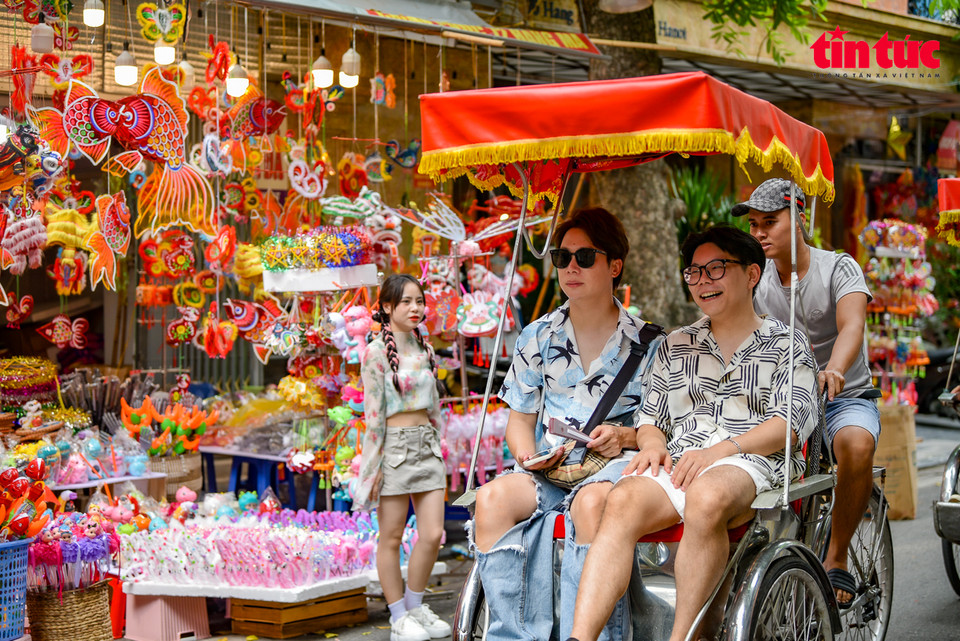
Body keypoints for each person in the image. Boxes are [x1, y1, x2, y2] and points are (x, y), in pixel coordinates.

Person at [567, 226, 817, 641]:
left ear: (752, 274)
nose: (703, 281)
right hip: (683, 458)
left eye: (715, 269)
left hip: (753, 458)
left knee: (706, 496)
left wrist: (720, 451)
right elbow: (651, 418)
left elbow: (788, 424)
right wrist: (652, 445)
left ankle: (682, 637)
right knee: (622, 499)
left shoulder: (787, 343)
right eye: (694, 272)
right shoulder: (676, 343)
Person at [472, 207, 661, 641]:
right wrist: (528, 456)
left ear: (614, 265)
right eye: (562, 258)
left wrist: (624, 436)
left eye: (585, 257)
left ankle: (589, 634)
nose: (571, 267)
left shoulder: (650, 343)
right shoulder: (536, 336)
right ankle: (515, 636)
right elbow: (519, 422)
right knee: (493, 498)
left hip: (615, 469)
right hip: (551, 469)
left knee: (590, 505)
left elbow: (659, 427)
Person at [736, 177, 881, 606]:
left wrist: (834, 369)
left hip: (843, 397)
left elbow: (852, 324)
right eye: (754, 224)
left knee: (856, 446)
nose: (759, 232)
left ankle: (836, 557)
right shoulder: (754, 280)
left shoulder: (838, 267)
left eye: (770, 222)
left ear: (800, 218)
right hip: (783, 401)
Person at [356, 274, 452, 641]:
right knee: (392, 536)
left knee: (432, 534)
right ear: (386, 307)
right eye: (407, 302)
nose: (416, 308)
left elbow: (436, 407)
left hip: (426, 446)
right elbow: (374, 418)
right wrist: (372, 468)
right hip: (393, 448)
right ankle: (398, 616)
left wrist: (440, 443)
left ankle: (415, 606)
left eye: (419, 301)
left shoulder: (425, 349)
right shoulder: (376, 353)